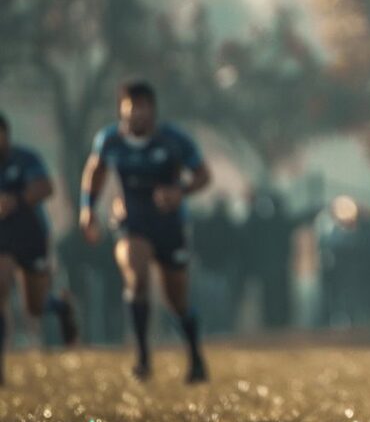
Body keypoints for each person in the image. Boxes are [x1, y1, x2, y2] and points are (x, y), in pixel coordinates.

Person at [78, 81, 212, 383]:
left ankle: (195, 357)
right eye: (129, 111)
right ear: (121, 112)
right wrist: (88, 209)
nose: (135, 117)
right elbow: (95, 171)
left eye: (141, 110)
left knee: (176, 299)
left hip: (169, 224)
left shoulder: (174, 140)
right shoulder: (109, 140)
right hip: (132, 221)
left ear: (152, 110)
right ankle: (142, 356)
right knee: (136, 276)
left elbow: (204, 176)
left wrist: (180, 191)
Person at [0, 113, 77, 385]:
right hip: (2, 240)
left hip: (31, 235)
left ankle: (59, 307)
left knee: (34, 306)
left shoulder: (26, 159)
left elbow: (46, 188)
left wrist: (16, 200)